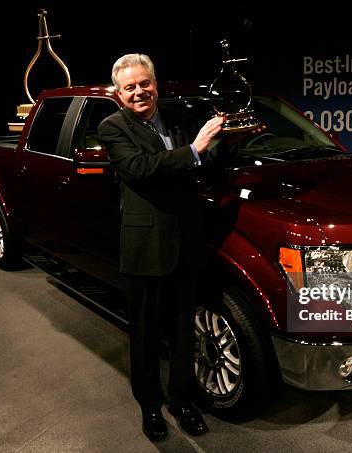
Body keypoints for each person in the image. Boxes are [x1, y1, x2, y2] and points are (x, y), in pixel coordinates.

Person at [97, 53, 228, 441]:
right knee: (145, 334)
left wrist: (226, 140)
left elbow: (200, 163)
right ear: (119, 94)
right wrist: (195, 149)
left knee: (183, 329)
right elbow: (141, 168)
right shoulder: (112, 128)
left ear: (156, 84)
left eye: (145, 83)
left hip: (185, 243)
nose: (139, 92)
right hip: (146, 246)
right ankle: (150, 407)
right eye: (130, 87)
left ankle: (181, 400)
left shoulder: (175, 118)